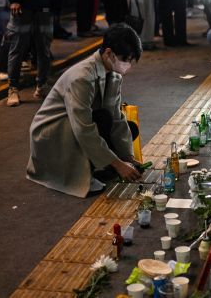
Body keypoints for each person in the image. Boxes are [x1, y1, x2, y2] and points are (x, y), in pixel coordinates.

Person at [27, 23, 143, 197]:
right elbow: (84, 129)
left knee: (127, 127)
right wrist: (118, 164)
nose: (127, 65)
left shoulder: (113, 74)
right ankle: (85, 171)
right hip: (53, 134)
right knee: (103, 119)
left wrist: (128, 158)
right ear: (109, 53)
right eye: (125, 59)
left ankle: (101, 163)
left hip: (76, 125)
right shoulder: (82, 77)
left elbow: (117, 118)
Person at [5, 0, 79, 106]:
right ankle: (13, 88)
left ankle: (42, 85)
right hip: (24, 7)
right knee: (18, 48)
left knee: (44, 49)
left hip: (45, 9)